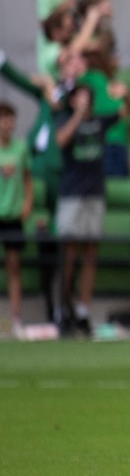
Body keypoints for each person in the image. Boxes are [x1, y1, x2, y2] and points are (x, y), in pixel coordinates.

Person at [55, 83, 118, 335]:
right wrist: (78, 116)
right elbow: (61, 141)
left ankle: (83, 310)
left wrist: (126, 94)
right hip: (72, 194)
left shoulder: (101, 122)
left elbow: (128, 111)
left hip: (95, 193)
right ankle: (63, 307)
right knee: (69, 253)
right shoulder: (64, 120)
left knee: (91, 252)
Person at [0, 102, 31, 334]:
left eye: (11, 119)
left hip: (13, 216)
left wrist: (27, 203)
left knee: (14, 266)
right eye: (4, 119)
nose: (8, 124)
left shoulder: (20, 148)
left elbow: (28, 178)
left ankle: (16, 318)